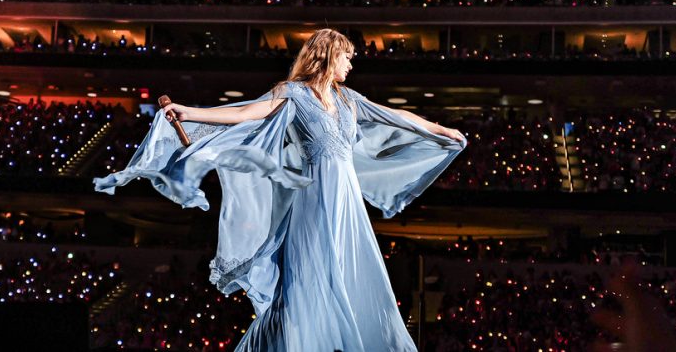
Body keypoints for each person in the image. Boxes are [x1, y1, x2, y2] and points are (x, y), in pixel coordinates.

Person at [94, 28, 467, 351]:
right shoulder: (293, 93)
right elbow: (244, 114)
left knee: (352, 272)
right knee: (309, 275)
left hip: (346, 202)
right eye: (346, 58)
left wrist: (439, 129)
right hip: (312, 198)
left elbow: (395, 115)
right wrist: (190, 112)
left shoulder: (348, 99)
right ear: (328, 56)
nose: (351, 65)